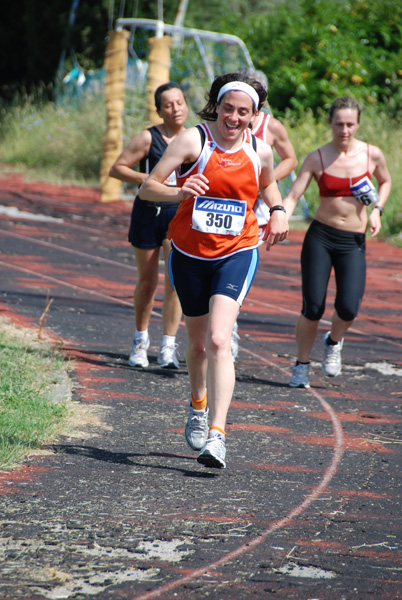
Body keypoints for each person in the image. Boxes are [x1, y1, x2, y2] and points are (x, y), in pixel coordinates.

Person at [139, 72, 289, 468]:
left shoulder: (260, 151)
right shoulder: (194, 140)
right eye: (228, 109)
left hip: (238, 250)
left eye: (244, 112)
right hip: (189, 251)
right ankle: (198, 405)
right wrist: (179, 192)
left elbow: (268, 185)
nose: (234, 118)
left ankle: (218, 436)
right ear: (217, 107)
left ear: (255, 116)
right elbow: (147, 188)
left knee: (221, 340)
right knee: (200, 344)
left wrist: (276, 211)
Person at [283, 96, 392, 388]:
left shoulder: (372, 154)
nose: (344, 130)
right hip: (321, 236)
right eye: (339, 124)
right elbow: (293, 195)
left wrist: (377, 210)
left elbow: (386, 181)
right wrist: (279, 217)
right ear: (330, 123)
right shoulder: (317, 157)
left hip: (352, 240)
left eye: (350, 124)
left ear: (357, 124)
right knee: (313, 307)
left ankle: (333, 341)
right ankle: (302, 365)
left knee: (348, 307)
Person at [109, 83, 188, 369]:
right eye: (168, 104)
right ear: (159, 110)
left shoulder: (193, 139)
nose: (175, 109)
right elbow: (116, 168)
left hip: (177, 215)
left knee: (175, 283)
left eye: (179, 102)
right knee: (147, 283)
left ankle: (168, 346)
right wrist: (147, 181)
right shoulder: (148, 138)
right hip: (147, 214)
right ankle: (140, 342)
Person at [230, 69, 298, 361]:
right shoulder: (226, 121)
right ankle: (222, 322)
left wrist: (265, 182)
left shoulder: (271, 126)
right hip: (224, 205)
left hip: (254, 212)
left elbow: (291, 158)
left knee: (238, 271)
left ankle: (229, 323)